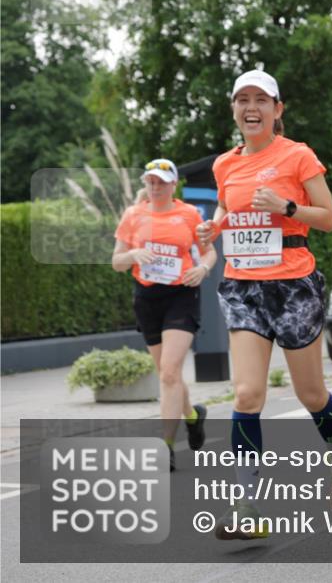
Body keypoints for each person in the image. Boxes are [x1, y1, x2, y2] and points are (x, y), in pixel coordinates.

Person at [195, 70, 332, 540]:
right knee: (246, 395)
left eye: (262, 99)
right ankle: (246, 505)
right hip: (243, 287)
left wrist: (286, 206)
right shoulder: (224, 164)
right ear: (234, 109)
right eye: (243, 99)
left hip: (293, 284)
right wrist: (213, 227)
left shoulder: (298, 155)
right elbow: (226, 208)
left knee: (311, 395)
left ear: (278, 110)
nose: (251, 107)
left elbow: (330, 220)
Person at [112, 159, 212, 471]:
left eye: (162, 182)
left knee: (170, 371)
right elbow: (116, 261)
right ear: (146, 184)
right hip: (147, 298)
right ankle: (193, 418)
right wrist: (132, 255)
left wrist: (203, 268)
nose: (155, 187)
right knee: (167, 374)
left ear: (173, 184)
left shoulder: (189, 214)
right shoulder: (133, 215)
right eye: (151, 182)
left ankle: (166, 445)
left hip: (181, 295)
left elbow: (209, 251)